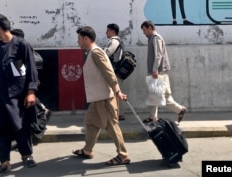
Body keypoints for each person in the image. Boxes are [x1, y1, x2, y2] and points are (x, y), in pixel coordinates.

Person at [72, 26, 130, 166]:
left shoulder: (96, 53)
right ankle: (87, 150)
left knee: (111, 125)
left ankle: (123, 155)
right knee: (91, 123)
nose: (78, 41)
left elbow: (109, 73)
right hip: (97, 98)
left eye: (79, 39)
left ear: (86, 39)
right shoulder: (92, 52)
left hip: (104, 98)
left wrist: (117, 92)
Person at [0, 14, 38, 176]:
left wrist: (31, 91)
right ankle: (4, 162)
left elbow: (31, 69)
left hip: (18, 97)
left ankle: (26, 155)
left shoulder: (21, 45)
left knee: (21, 127)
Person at [140, 20, 186, 123]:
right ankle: (154, 117)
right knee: (155, 94)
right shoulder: (152, 38)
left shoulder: (156, 38)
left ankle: (179, 110)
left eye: (144, 30)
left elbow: (158, 55)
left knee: (159, 95)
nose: (144, 33)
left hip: (158, 72)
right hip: (157, 71)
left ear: (150, 28)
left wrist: (155, 69)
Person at [104, 23, 126, 121]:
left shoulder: (114, 41)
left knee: (116, 93)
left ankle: (118, 114)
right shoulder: (117, 41)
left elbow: (107, 53)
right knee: (116, 92)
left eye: (108, 30)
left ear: (113, 31)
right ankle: (118, 113)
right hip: (117, 70)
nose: (106, 32)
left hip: (115, 70)